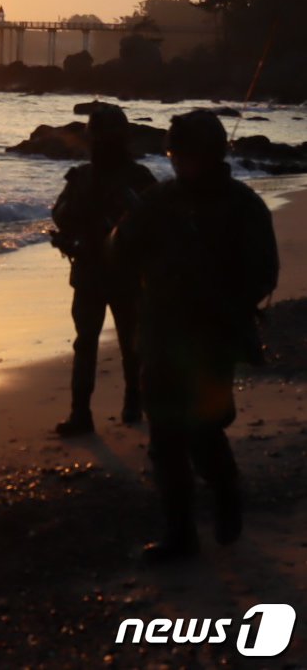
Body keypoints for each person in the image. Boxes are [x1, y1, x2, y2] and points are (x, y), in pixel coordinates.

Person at [112, 110, 279, 561]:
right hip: (162, 335)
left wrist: (222, 297)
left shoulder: (244, 205)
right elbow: (123, 250)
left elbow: (265, 273)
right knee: (165, 438)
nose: (181, 162)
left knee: (205, 430)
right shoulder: (157, 200)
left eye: (190, 154)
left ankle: (226, 494)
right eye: (176, 154)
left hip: (213, 338)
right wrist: (125, 233)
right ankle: (180, 535)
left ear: (213, 154)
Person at [51, 103, 157, 436]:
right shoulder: (89, 177)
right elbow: (60, 215)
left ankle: (106, 408)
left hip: (116, 275)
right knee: (113, 344)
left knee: (116, 344)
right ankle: (105, 409)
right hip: (97, 274)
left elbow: (154, 224)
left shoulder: (132, 179)